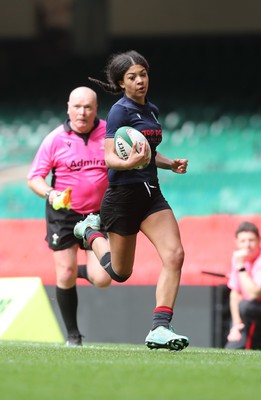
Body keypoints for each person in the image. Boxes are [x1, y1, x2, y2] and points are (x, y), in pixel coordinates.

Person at [74, 50, 189, 351]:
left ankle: (159, 327)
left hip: (151, 194)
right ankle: (90, 232)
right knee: (120, 273)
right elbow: (112, 157)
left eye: (143, 74)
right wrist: (132, 163)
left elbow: (146, 152)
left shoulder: (152, 109)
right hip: (123, 197)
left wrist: (169, 163)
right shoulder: (119, 111)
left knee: (175, 255)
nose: (140, 81)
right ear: (121, 83)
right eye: (132, 77)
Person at [27, 86, 112, 346]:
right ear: (68, 108)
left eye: (88, 107)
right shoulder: (54, 139)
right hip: (63, 215)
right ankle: (73, 336)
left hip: (97, 216)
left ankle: (69, 269)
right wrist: (51, 194)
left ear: (96, 109)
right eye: (77, 107)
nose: (82, 112)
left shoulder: (110, 134)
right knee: (64, 272)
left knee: (104, 278)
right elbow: (34, 178)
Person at [225, 221, 261, 350]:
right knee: (231, 350)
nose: (247, 245)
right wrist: (236, 325)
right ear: (236, 242)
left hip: (260, 309)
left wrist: (241, 268)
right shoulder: (238, 259)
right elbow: (235, 294)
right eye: (243, 241)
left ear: (259, 240)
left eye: (251, 240)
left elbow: (254, 294)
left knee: (247, 306)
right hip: (250, 313)